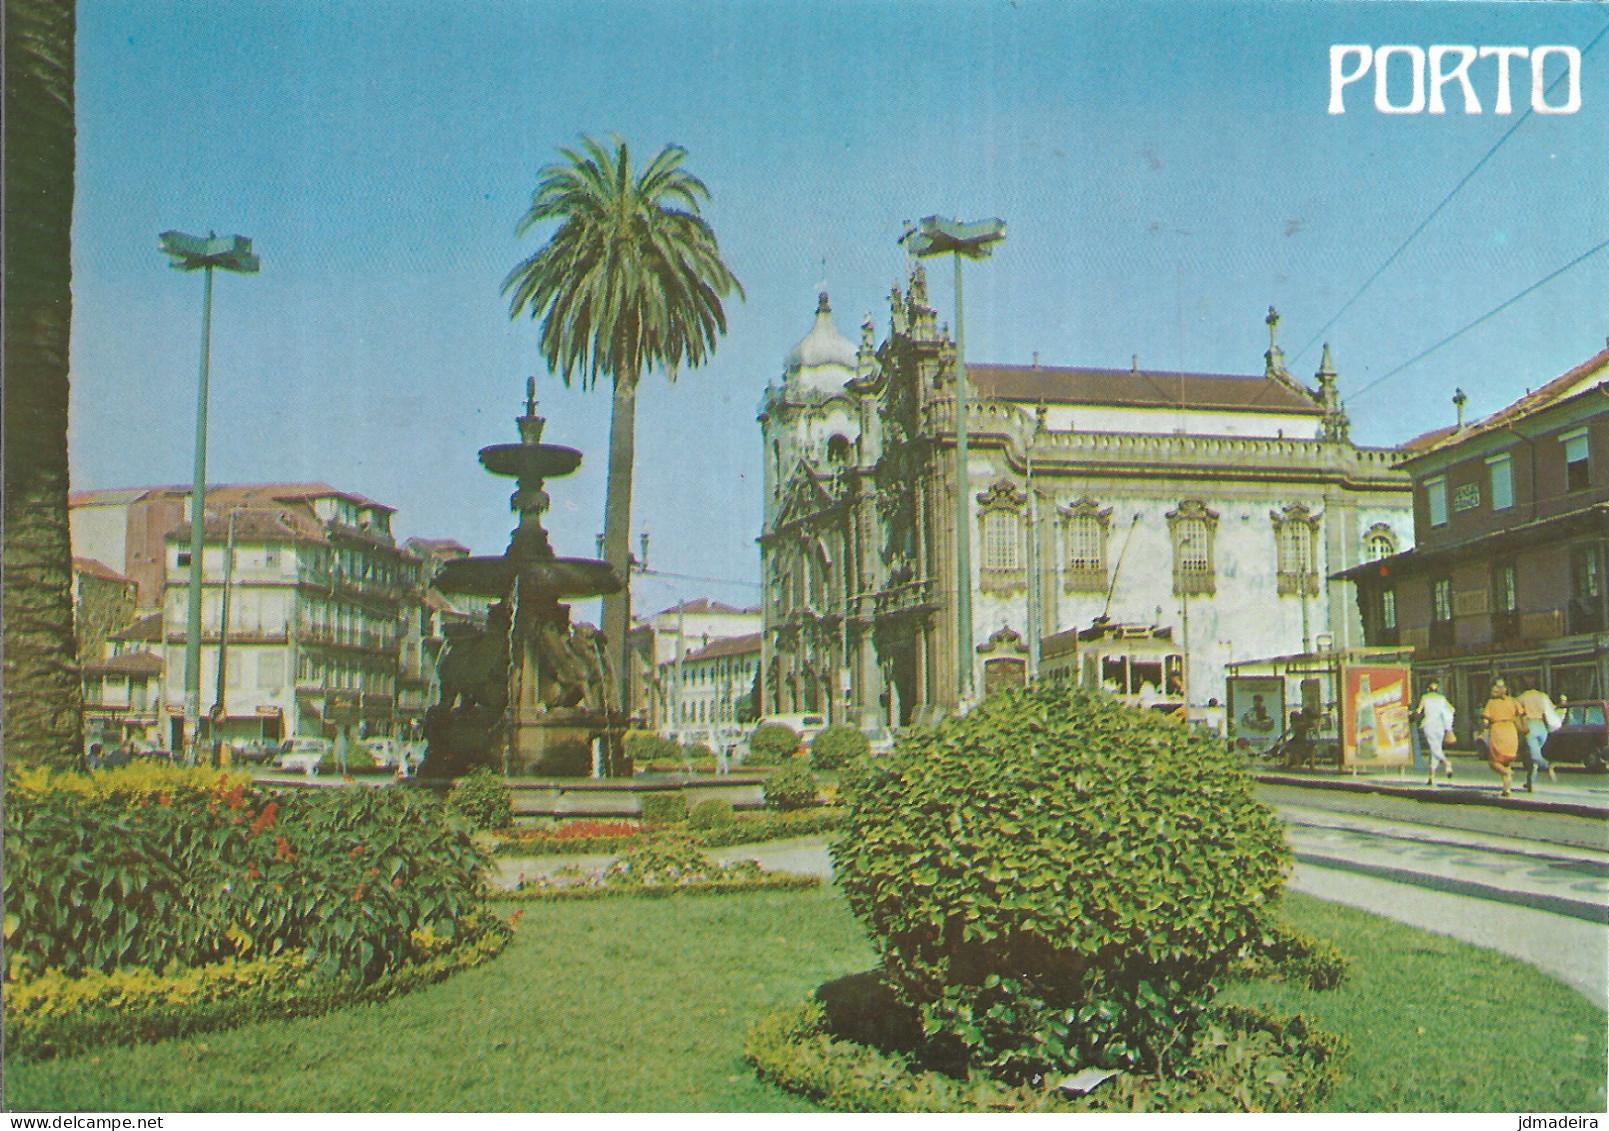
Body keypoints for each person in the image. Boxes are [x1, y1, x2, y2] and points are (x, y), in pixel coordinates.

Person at [1480, 680, 1526, 798]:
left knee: (1494, 761)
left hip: (1498, 731)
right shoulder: (1513, 701)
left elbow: (1485, 722)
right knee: (1506, 761)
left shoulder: (1491, 703)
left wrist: (1482, 731)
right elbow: (1521, 714)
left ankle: (1507, 773)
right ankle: (1507, 789)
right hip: (1511, 731)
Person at [1517, 685, 1561, 790]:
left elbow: (1517, 711)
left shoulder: (1523, 697)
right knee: (1534, 757)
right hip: (1542, 727)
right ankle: (1530, 783)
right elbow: (1552, 709)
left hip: (1531, 725)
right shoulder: (1543, 696)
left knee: (1534, 756)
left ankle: (1548, 765)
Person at [1417, 679, 1456, 785]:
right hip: (1440, 726)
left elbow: (1418, 711)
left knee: (1434, 749)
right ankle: (1431, 777)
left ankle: (1447, 763)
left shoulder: (1425, 697)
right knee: (1435, 749)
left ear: (1427, 689)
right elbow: (1452, 709)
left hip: (1429, 725)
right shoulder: (1442, 698)